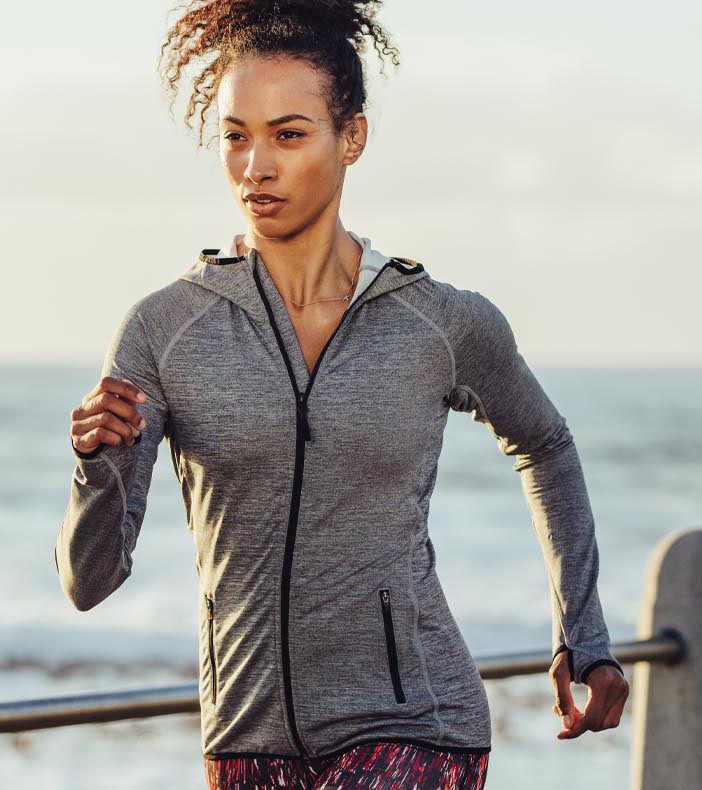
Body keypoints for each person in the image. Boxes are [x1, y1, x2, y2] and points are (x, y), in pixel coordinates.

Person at [55, 0, 630, 787]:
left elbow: (545, 443)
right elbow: (89, 583)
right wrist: (99, 465)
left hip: (416, 726)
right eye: (235, 136)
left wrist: (583, 631)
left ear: (350, 138)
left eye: (288, 135)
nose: (255, 167)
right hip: (245, 738)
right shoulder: (167, 330)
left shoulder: (437, 322)